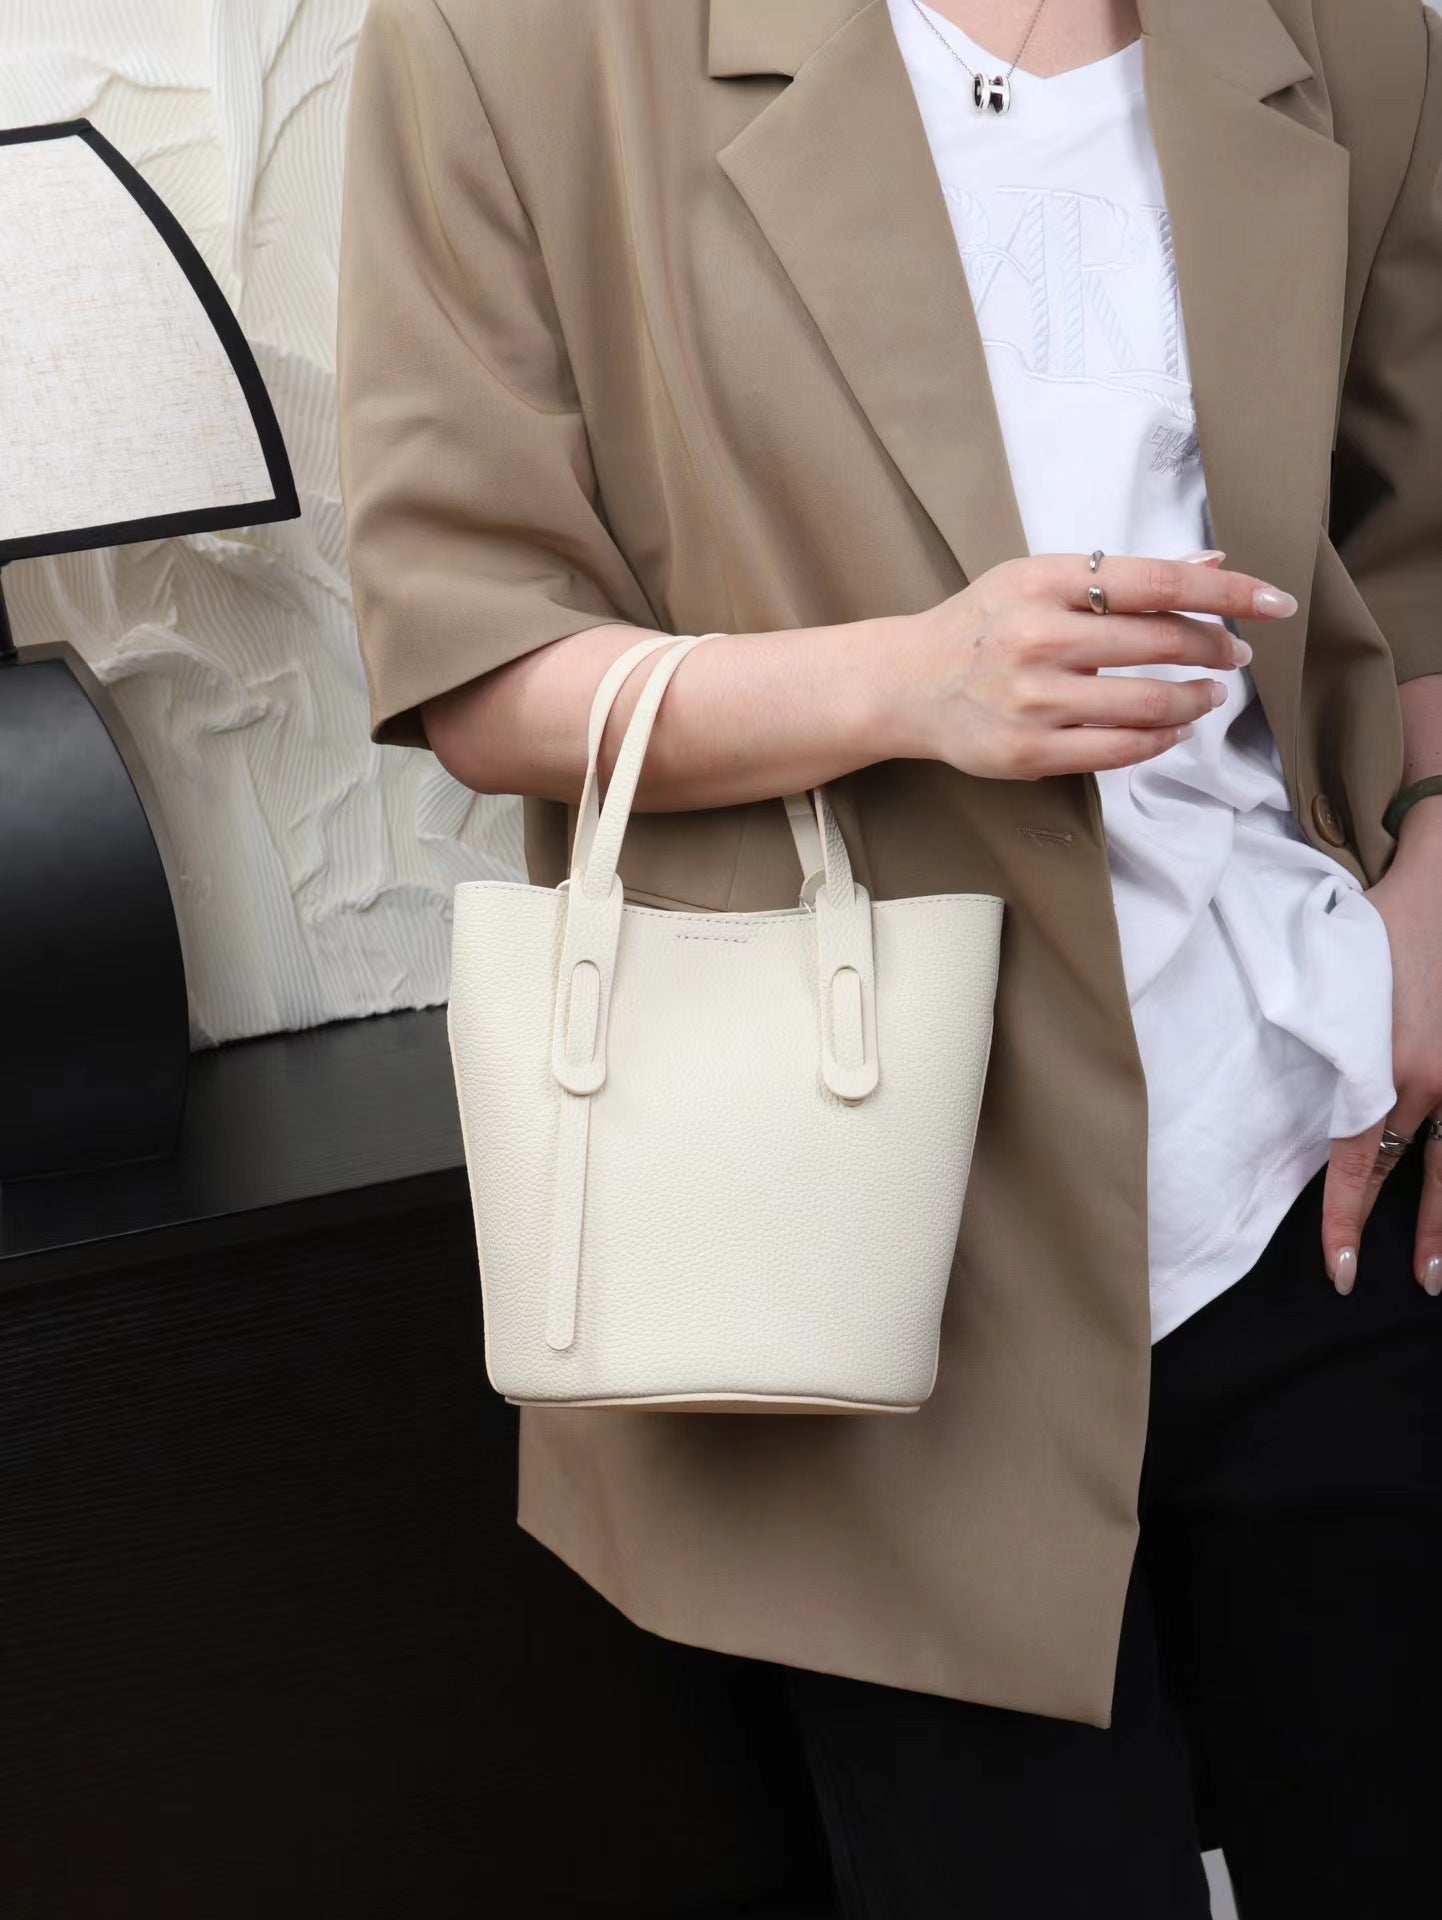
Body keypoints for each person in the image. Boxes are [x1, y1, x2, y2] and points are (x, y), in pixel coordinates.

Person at [335, 0, 1442, 1910]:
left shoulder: (1346, 32)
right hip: (874, 1232)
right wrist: (909, 680)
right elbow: (475, 661)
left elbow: (1409, 546)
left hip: (1321, 1149)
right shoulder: (503, 44)